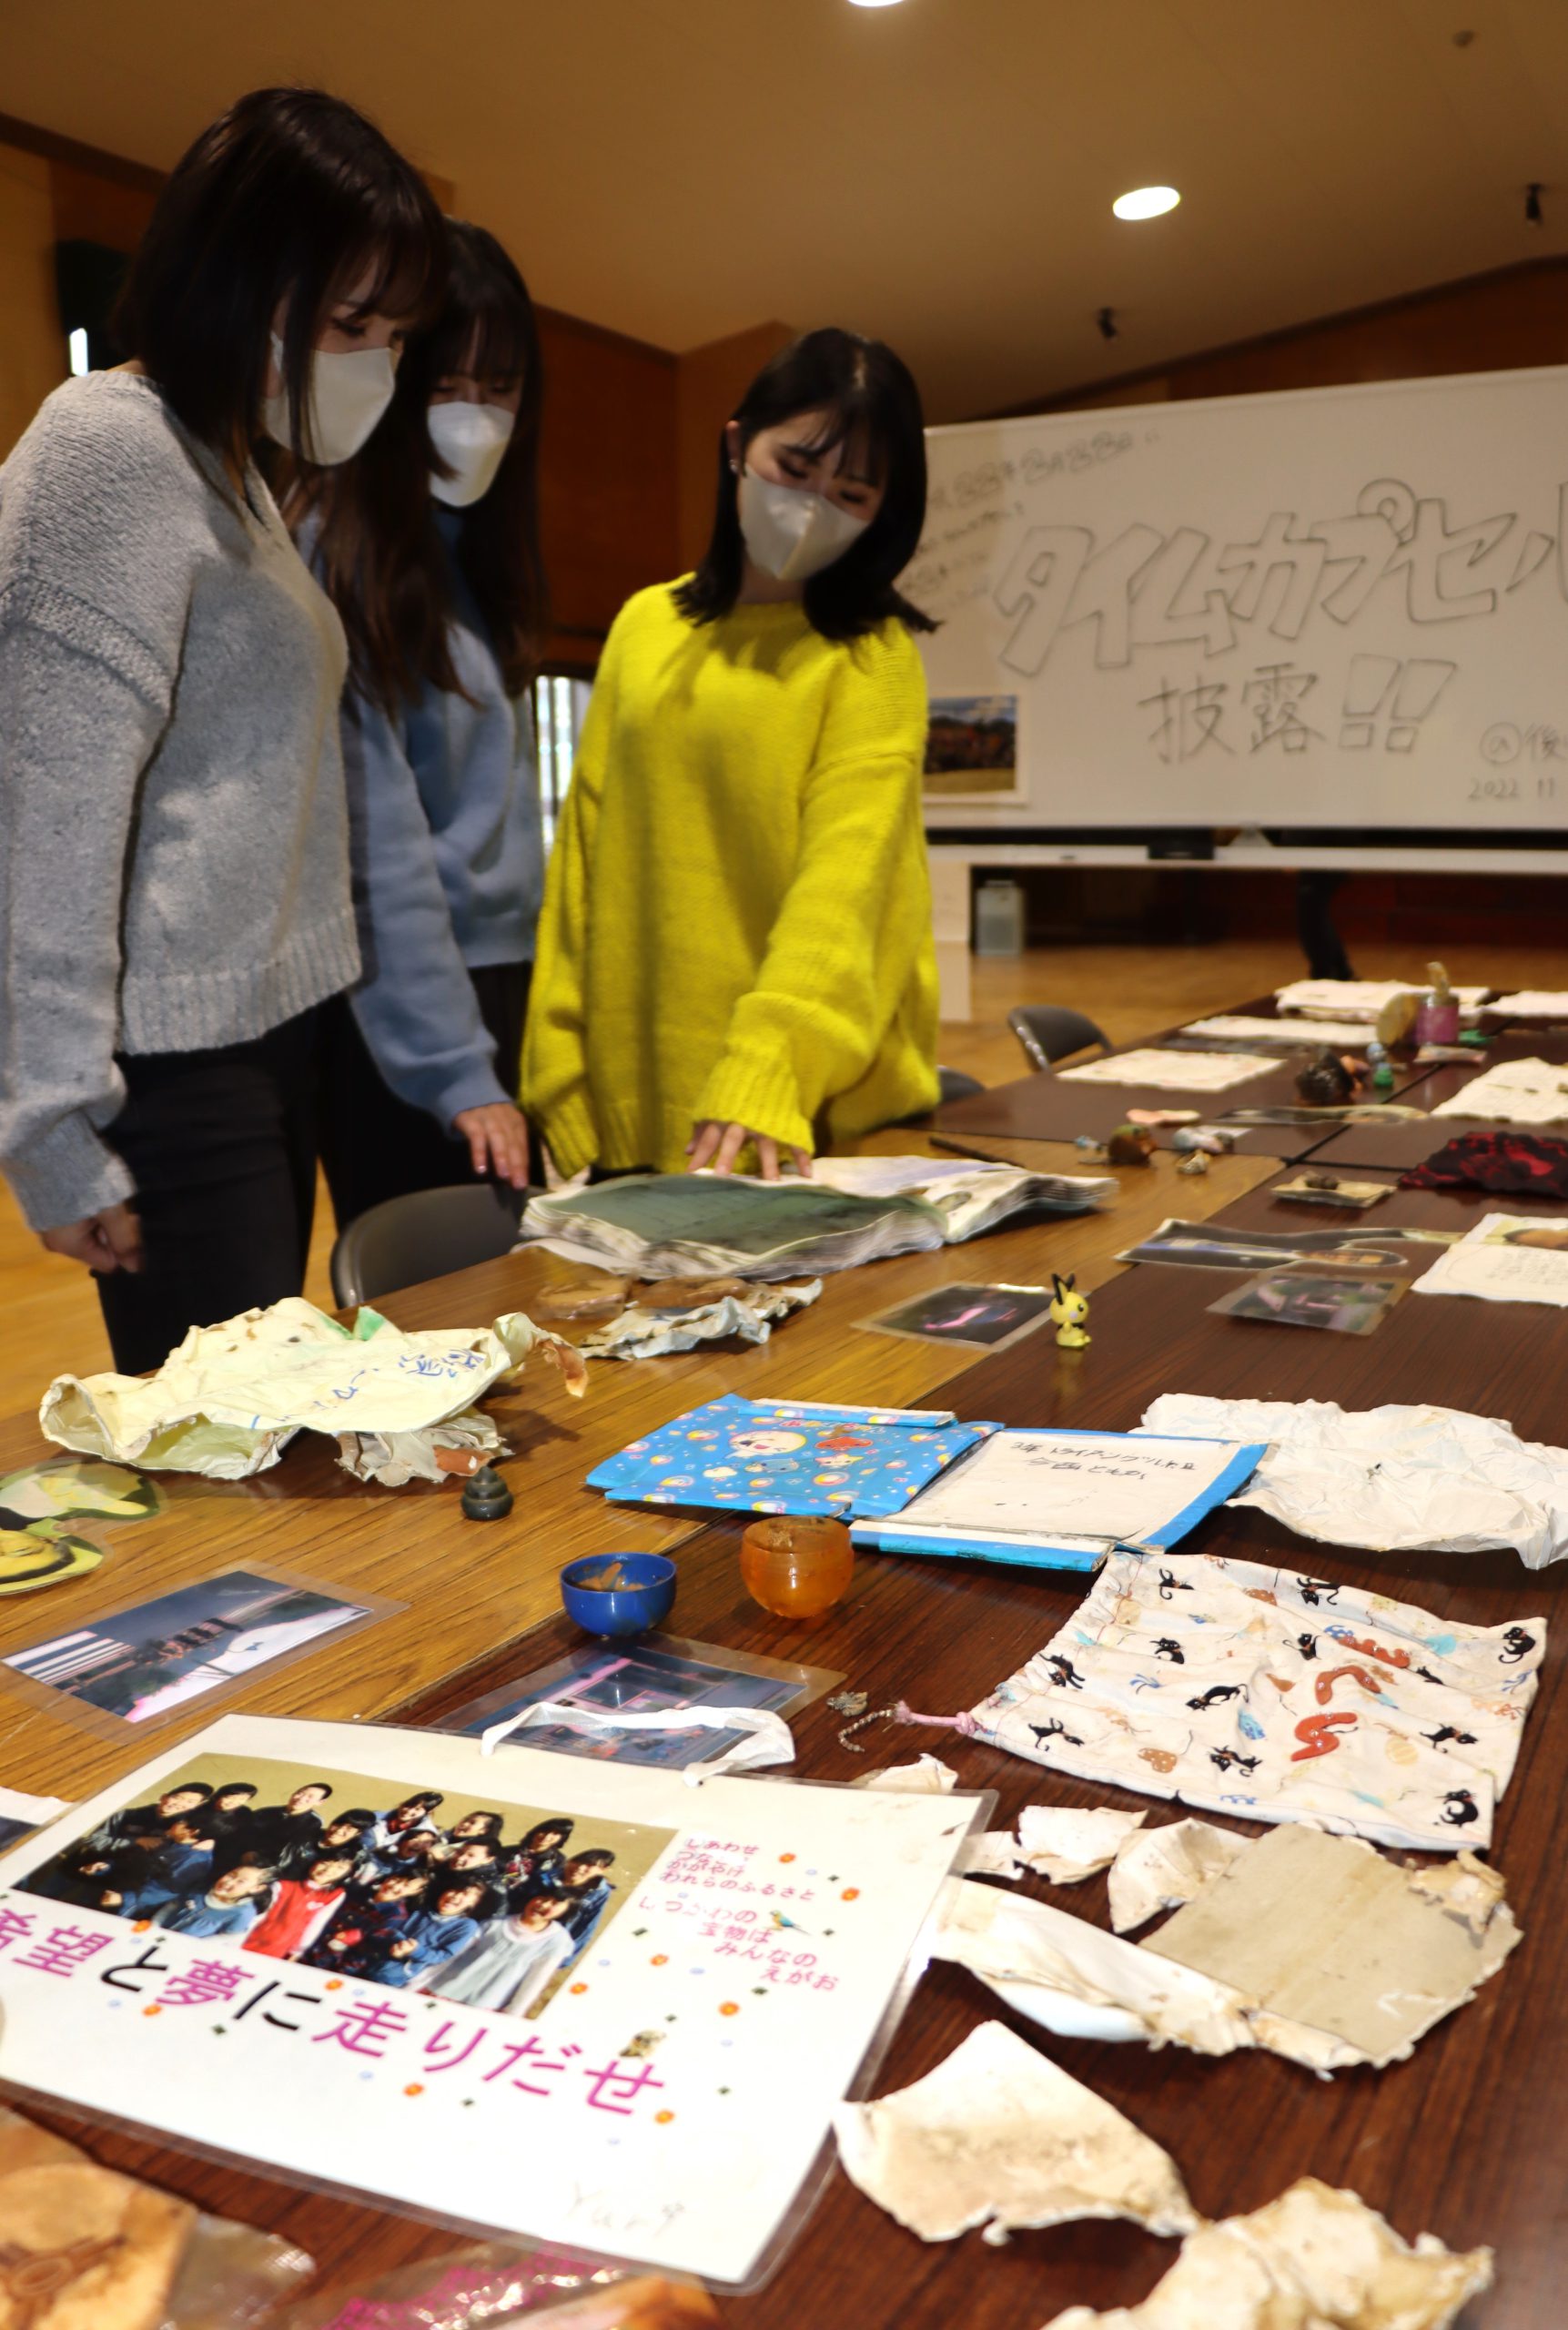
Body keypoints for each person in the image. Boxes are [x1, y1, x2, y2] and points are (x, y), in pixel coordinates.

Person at [0, 88, 445, 1374]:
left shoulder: (230, 469)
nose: (375, 363)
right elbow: (44, 812)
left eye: (392, 334)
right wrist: (50, 1123)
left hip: (262, 1032)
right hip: (171, 1064)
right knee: (223, 1444)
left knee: (262, 1419)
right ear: (236, 274)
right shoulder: (106, 449)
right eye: (350, 323)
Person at [522, 328, 940, 1183]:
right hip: (639, 1101)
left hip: (807, 1113)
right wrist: (556, 1060)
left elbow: (844, 885)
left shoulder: (871, 656)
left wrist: (768, 1061)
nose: (813, 506)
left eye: (850, 492)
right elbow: (584, 858)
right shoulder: (644, 625)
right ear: (736, 445)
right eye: (795, 467)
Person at [290, 219, 545, 1222]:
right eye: (447, 384)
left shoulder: (470, 558)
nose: (476, 414)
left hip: (495, 985)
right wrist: (452, 1063)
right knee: (445, 1292)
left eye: (501, 386)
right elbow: (374, 842)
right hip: (405, 1008)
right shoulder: (334, 550)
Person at [410, 1888, 573, 2015]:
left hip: (484, 2006)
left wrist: (514, 2014)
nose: (543, 1905)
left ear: (566, 1911)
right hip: (441, 1991)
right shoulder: (494, 1924)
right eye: (543, 1898)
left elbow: (535, 1982)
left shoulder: (557, 1941)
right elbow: (452, 1956)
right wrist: (416, 1984)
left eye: (554, 1903)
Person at [245, 1850, 361, 1960]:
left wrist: (297, 1952)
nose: (328, 1870)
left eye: (340, 1868)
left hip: (279, 1949)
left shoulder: (334, 1895)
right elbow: (257, 1915)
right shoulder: (283, 1885)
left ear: (347, 1874)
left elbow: (316, 1924)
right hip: (251, 1940)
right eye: (325, 1863)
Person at [379, 1879, 491, 1987]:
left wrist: (415, 1951)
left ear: (473, 1903)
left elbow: (443, 1957)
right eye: (454, 1890)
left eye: (465, 1894)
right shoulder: (421, 1911)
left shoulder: (465, 1925)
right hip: (376, 1961)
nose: (456, 1896)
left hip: (394, 1978)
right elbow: (391, 1931)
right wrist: (394, 1944)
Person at [154, 1862, 276, 1940]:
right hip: (158, 1934)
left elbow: (226, 1938)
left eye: (241, 1882)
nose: (229, 1882)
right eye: (232, 1875)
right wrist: (154, 1926)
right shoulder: (202, 1889)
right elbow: (172, 1906)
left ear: (256, 1888)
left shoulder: (243, 1913)